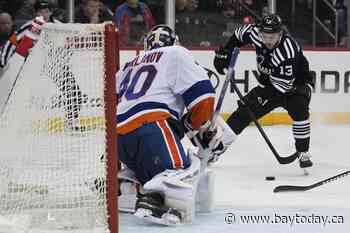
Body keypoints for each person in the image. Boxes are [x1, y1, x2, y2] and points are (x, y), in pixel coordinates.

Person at [116, 24, 234, 225]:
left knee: (149, 166)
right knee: (184, 170)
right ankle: (154, 200)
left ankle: (127, 187)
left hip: (116, 138)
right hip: (150, 126)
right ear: (174, 41)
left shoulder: (128, 65)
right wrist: (203, 127)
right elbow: (203, 97)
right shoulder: (176, 53)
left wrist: (185, 126)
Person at [213, 14, 314, 169]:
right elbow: (239, 35)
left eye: (271, 37)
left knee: (299, 108)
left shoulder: (287, 51)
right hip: (272, 83)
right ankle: (215, 149)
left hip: (296, 85)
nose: (267, 41)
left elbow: (283, 87)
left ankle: (303, 151)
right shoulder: (256, 33)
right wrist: (226, 52)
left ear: (280, 34)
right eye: (264, 36)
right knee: (244, 112)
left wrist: (257, 97)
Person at [0, 0, 59, 68]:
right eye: (40, 11)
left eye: (46, 11)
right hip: (32, 67)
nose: (43, 15)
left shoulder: (59, 27)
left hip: (53, 68)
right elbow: (12, 42)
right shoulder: (30, 26)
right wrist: (3, 63)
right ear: (36, 13)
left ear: (51, 12)